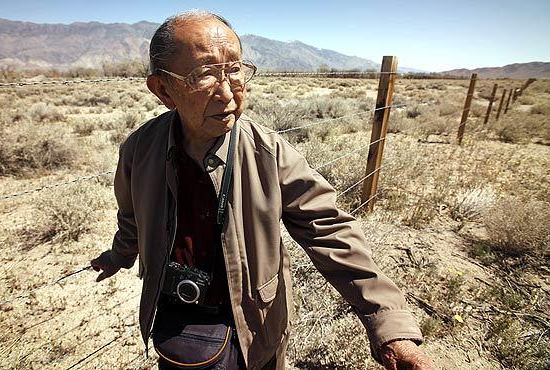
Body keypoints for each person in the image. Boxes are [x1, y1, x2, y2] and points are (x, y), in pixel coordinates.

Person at [91, 10, 435, 370]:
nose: (227, 93)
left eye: (235, 70)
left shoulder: (268, 153)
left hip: (255, 324)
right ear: (163, 89)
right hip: (178, 326)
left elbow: (329, 229)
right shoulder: (140, 149)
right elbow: (132, 217)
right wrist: (118, 256)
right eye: (205, 74)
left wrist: (388, 324)